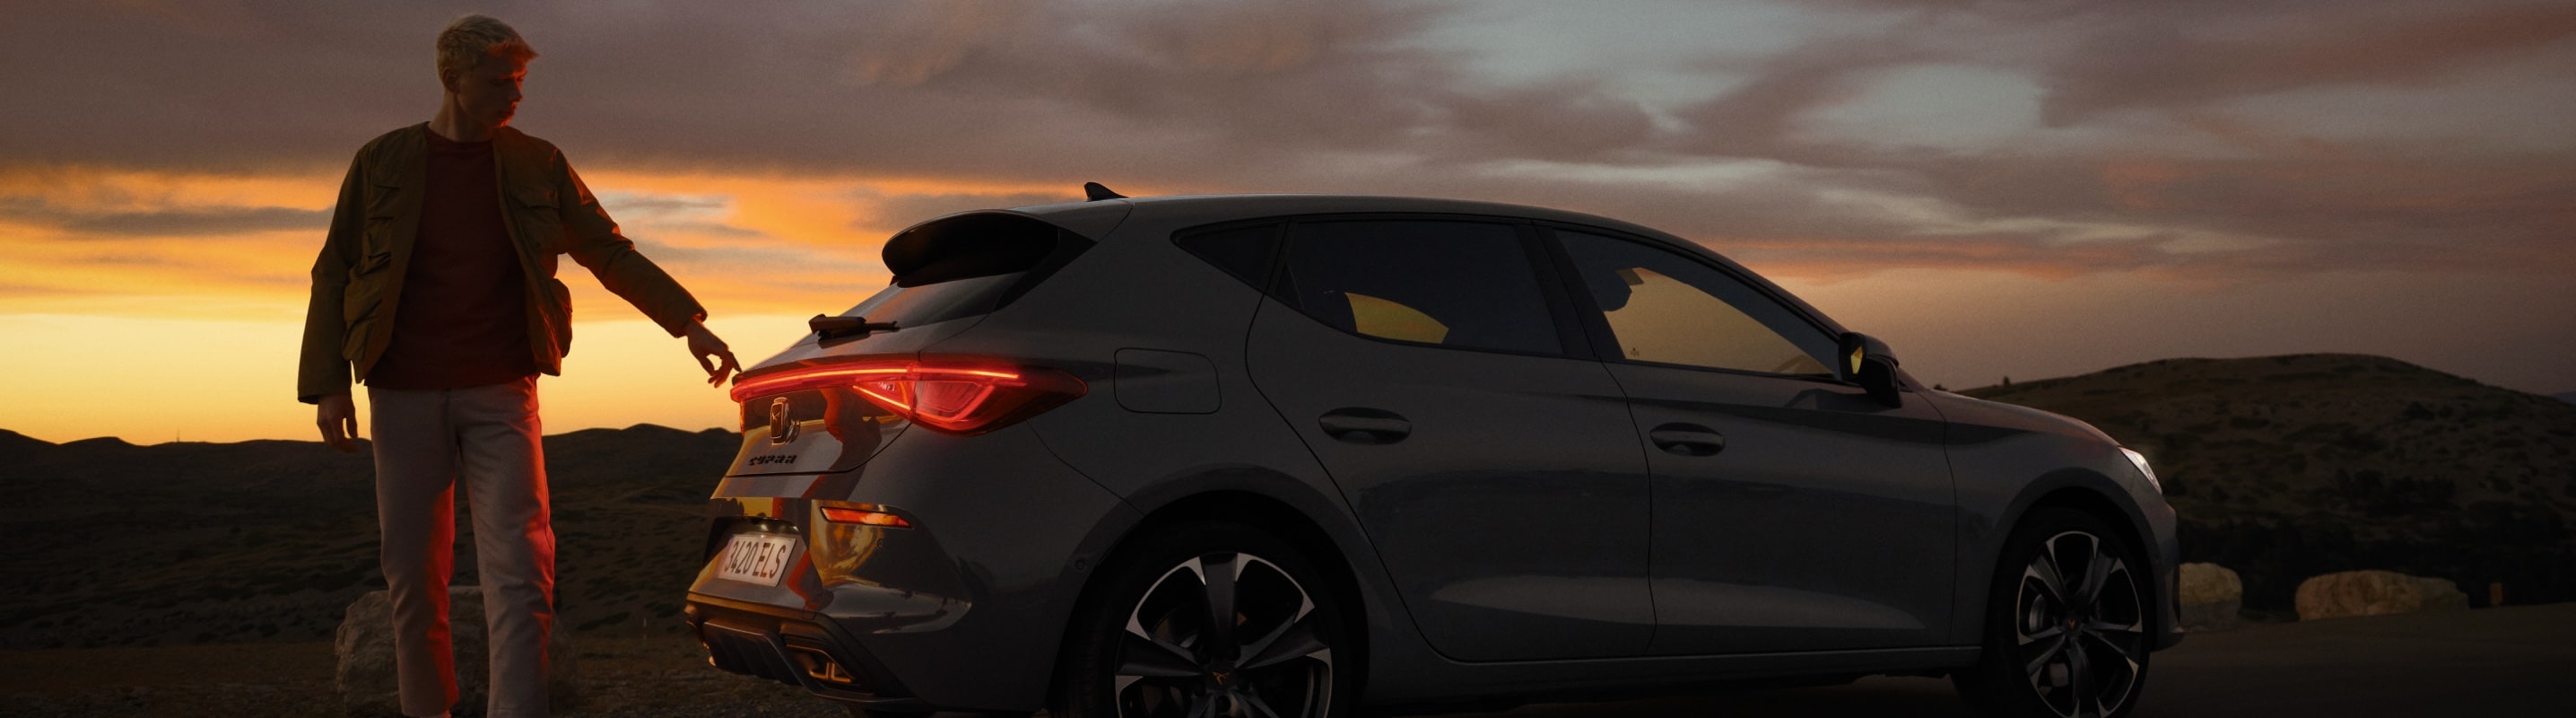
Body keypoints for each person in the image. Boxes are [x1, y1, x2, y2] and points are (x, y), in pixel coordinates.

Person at [295, 14, 739, 718]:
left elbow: (607, 251)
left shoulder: (540, 162)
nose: (514, 96)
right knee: (414, 577)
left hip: (503, 388)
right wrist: (325, 385)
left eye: (520, 82)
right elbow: (334, 270)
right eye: (499, 81)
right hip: (402, 391)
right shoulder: (381, 161)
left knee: (522, 572)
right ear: (453, 79)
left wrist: (687, 322)